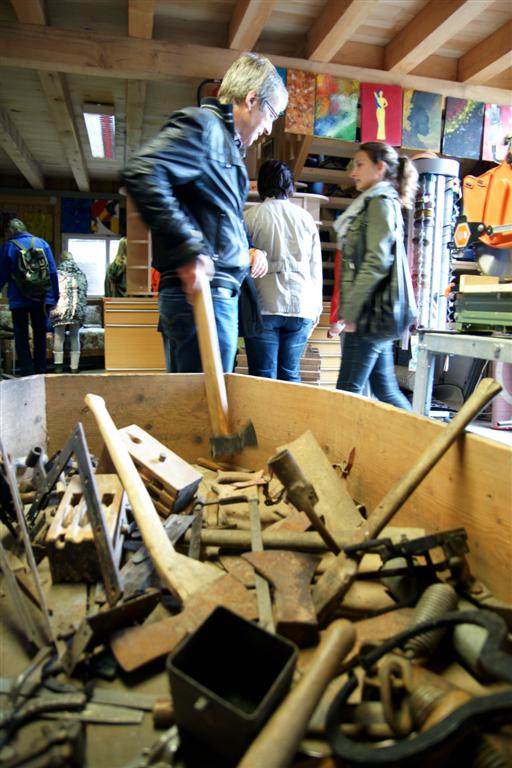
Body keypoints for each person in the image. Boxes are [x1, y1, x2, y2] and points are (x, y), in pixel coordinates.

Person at [122, 53, 288, 373]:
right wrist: (188, 250)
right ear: (252, 99)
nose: (269, 128)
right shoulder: (202, 126)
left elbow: (220, 216)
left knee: (203, 401)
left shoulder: (227, 146)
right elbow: (144, 172)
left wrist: (248, 248)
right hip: (202, 297)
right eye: (271, 114)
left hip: (217, 296)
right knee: (197, 402)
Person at [331, 142, 418, 410]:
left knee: (346, 395)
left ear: (379, 168)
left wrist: (352, 312)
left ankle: (424, 432)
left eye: (359, 165)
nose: (352, 172)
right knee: (384, 389)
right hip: (373, 312)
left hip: (369, 314)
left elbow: (376, 261)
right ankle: (425, 434)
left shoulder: (380, 203)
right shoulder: (374, 202)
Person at [243, 160, 323, 381]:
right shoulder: (306, 218)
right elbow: (315, 268)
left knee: (262, 378)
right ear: (290, 185)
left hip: (264, 306)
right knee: (291, 377)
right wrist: (316, 310)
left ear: (261, 185)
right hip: (301, 306)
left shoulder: (250, 216)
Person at [0, 218, 59, 377]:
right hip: (40, 297)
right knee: (40, 334)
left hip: (18, 298)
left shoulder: (8, 246)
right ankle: (41, 371)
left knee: (21, 336)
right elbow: (53, 272)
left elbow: (2, 274)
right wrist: (54, 297)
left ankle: (27, 372)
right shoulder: (42, 243)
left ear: (11, 231)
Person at [50, 251, 88, 373]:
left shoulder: (56, 274)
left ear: (61, 260)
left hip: (60, 308)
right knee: (74, 336)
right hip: (77, 309)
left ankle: (58, 367)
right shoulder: (81, 274)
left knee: (59, 336)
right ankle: (74, 367)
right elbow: (84, 293)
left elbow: (52, 291)